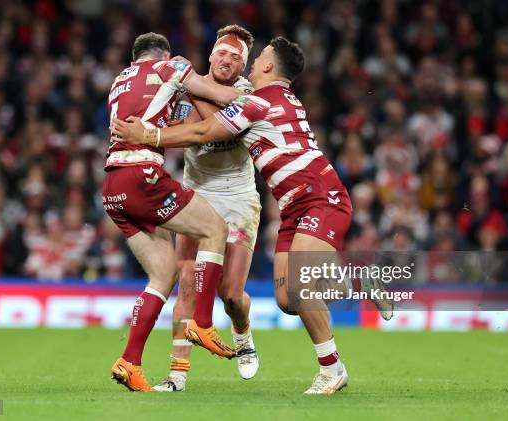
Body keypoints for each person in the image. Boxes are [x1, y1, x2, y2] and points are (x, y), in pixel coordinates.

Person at [112, 36, 393, 394]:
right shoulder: (266, 98)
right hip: (292, 205)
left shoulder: (258, 100)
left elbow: (203, 130)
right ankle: (359, 280)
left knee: (296, 286)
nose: (250, 60)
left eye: (256, 56)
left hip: (319, 197)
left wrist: (147, 134)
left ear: (266, 67)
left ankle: (332, 368)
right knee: (289, 299)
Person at [104, 32, 245, 392]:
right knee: (213, 229)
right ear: (163, 54)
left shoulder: (118, 82)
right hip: (143, 175)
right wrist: (251, 97)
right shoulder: (170, 67)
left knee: (163, 274)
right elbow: (224, 96)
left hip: (113, 186)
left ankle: (129, 362)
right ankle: (202, 322)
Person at [154, 25, 260, 393]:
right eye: (223, 53)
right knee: (186, 282)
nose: (228, 60)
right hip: (196, 193)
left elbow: (219, 130)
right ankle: (177, 374)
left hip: (238, 197)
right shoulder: (185, 85)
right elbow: (176, 129)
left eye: (237, 57)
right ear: (211, 55)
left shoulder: (247, 93)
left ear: (244, 68)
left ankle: (242, 332)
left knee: (231, 294)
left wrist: (190, 85)